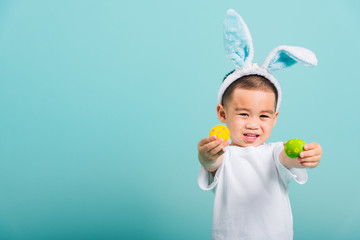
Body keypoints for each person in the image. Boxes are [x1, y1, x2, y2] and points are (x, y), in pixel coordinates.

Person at [197, 9, 322, 240]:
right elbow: (211, 163)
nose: (253, 125)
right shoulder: (224, 155)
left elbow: (288, 157)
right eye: (244, 114)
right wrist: (206, 155)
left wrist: (305, 155)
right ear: (222, 114)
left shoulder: (274, 152)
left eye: (263, 116)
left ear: (275, 118)